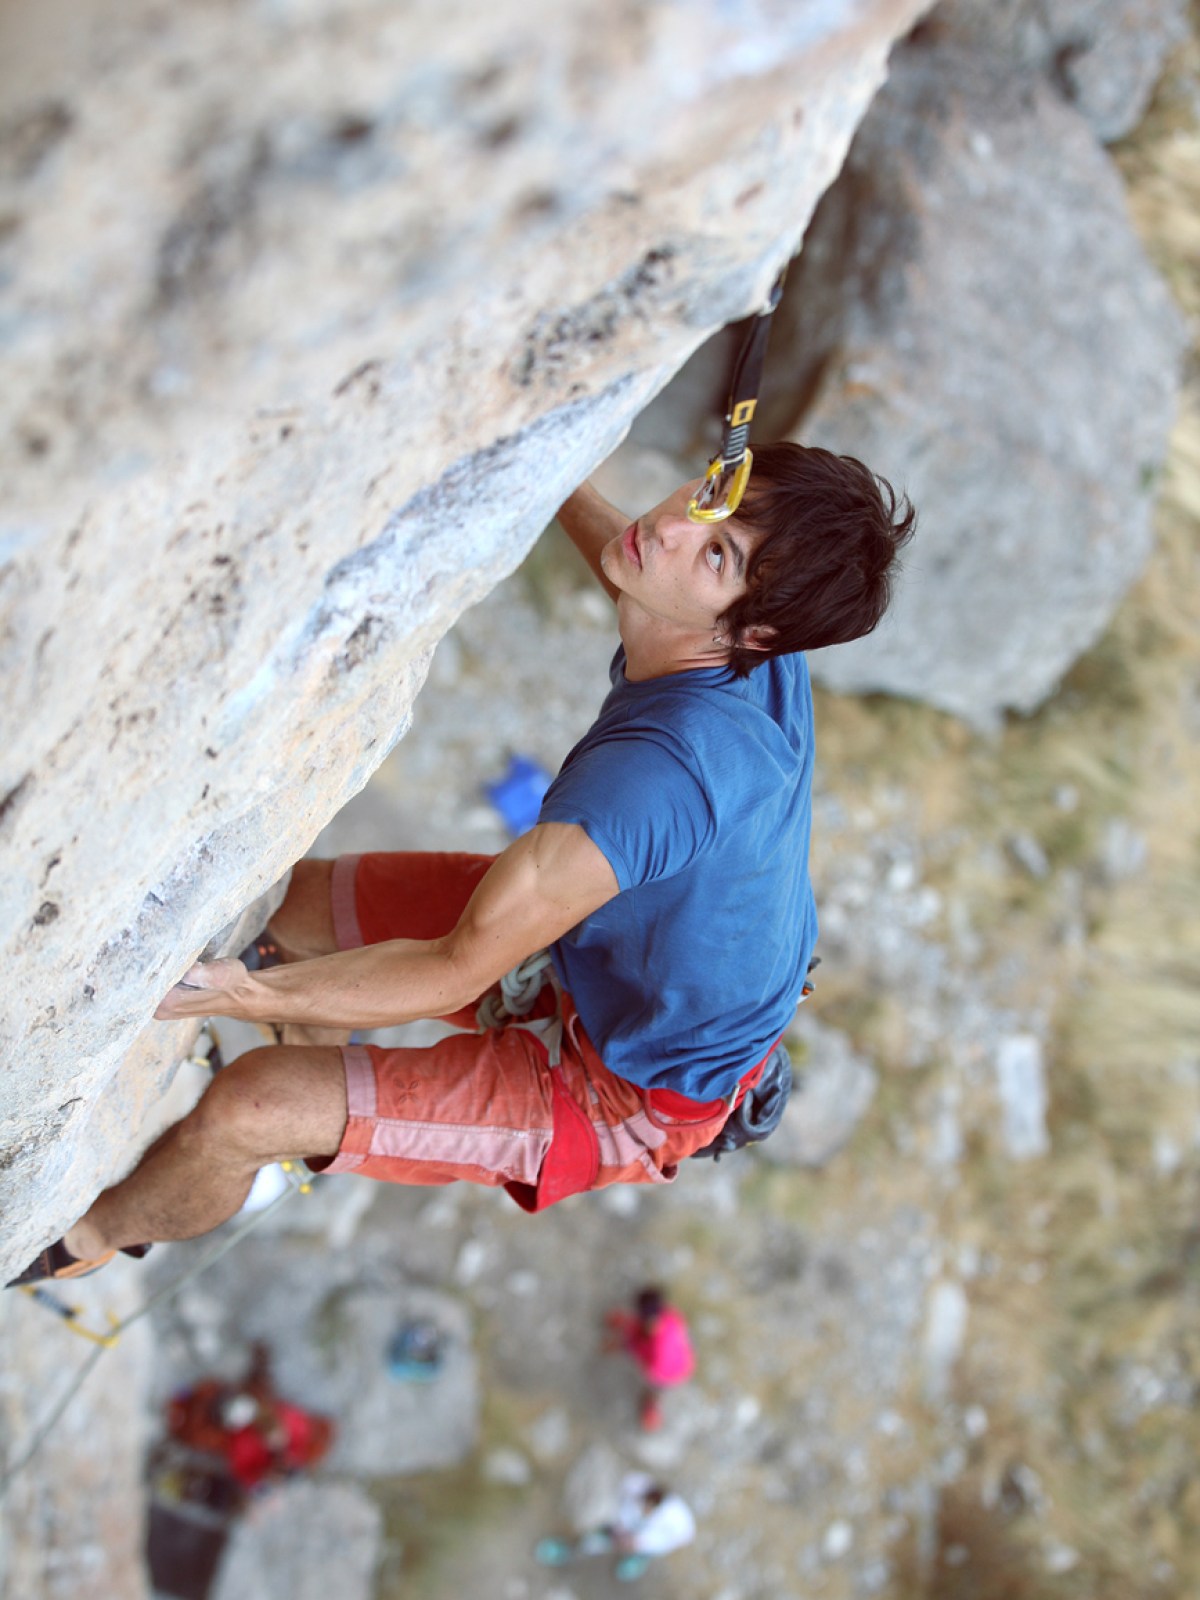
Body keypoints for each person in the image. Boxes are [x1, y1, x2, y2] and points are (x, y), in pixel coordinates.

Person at [10, 442, 914, 1285]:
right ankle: (325, 1039)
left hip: (627, 1089)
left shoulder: (658, 781)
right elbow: (642, 556)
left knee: (248, 1109)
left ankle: (76, 1240)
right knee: (294, 903)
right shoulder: (738, 627)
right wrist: (554, 466)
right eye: (714, 499)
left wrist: (251, 997)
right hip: (618, 952)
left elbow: (457, 963)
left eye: (717, 558)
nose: (673, 528)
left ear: (752, 636)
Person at [535, 1470, 697, 1582]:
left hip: (650, 1541)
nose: (645, 1509)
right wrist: (619, 1529)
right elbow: (623, 1494)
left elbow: (678, 1537)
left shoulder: (676, 1518)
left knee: (635, 1548)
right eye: (644, 1504)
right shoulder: (637, 1484)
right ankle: (568, 1550)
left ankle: (638, 1559)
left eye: (649, 1508)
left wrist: (639, 1544)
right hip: (622, 1525)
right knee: (598, 1540)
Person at [605, 1284, 695, 1430]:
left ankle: (651, 1408)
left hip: (669, 1375)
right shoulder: (670, 1315)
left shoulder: (656, 1354)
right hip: (683, 1357)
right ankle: (624, 1325)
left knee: (654, 1390)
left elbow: (637, 1354)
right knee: (634, 1335)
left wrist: (621, 1345)